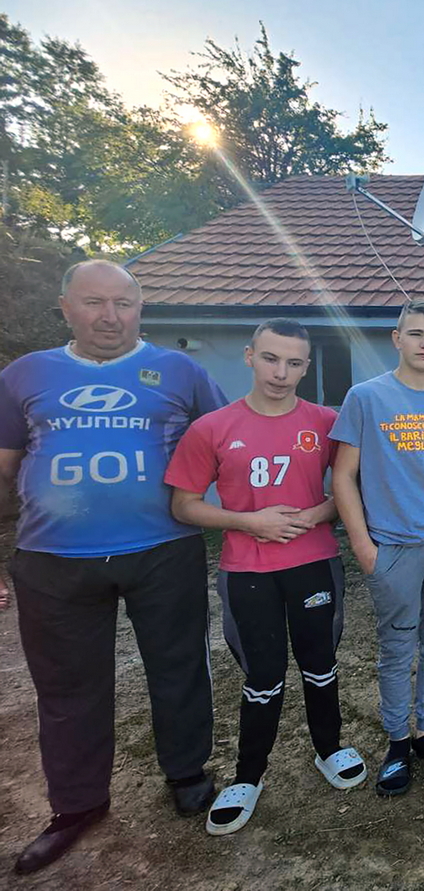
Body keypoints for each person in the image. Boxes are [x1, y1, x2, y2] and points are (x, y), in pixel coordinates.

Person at [0, 260, 226, 875]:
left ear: (140, 309)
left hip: (163, 549)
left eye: (123, 304)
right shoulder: (24, 374)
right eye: (94, 302)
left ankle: (186, 773)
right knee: (67, 686)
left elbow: (227, 440)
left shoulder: (181, 372)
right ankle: (76, 805)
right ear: (66, 307)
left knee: (179, 667)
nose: (110, 316)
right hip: (53, 559)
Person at [165, 318, 366, 836]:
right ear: (250, 356)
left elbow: (352, 486)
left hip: (314, 564)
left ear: (306, 366)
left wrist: (319, 514)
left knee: (320, 664)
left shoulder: (326, 421)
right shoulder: (212, 427)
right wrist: (248, 521)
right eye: (272, 359)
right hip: (247, 571)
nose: (281, 373)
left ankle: (329, 748)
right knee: (263, 675)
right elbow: (184, 505)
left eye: (294, 363)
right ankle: (248, 776)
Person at [330, 301, 424, 796]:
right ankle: (397, 741)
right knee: (397, 647)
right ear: (396, 339)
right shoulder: (366, 397)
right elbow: (343, 476)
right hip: (393, 547)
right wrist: (363, 546)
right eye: (416, 333)